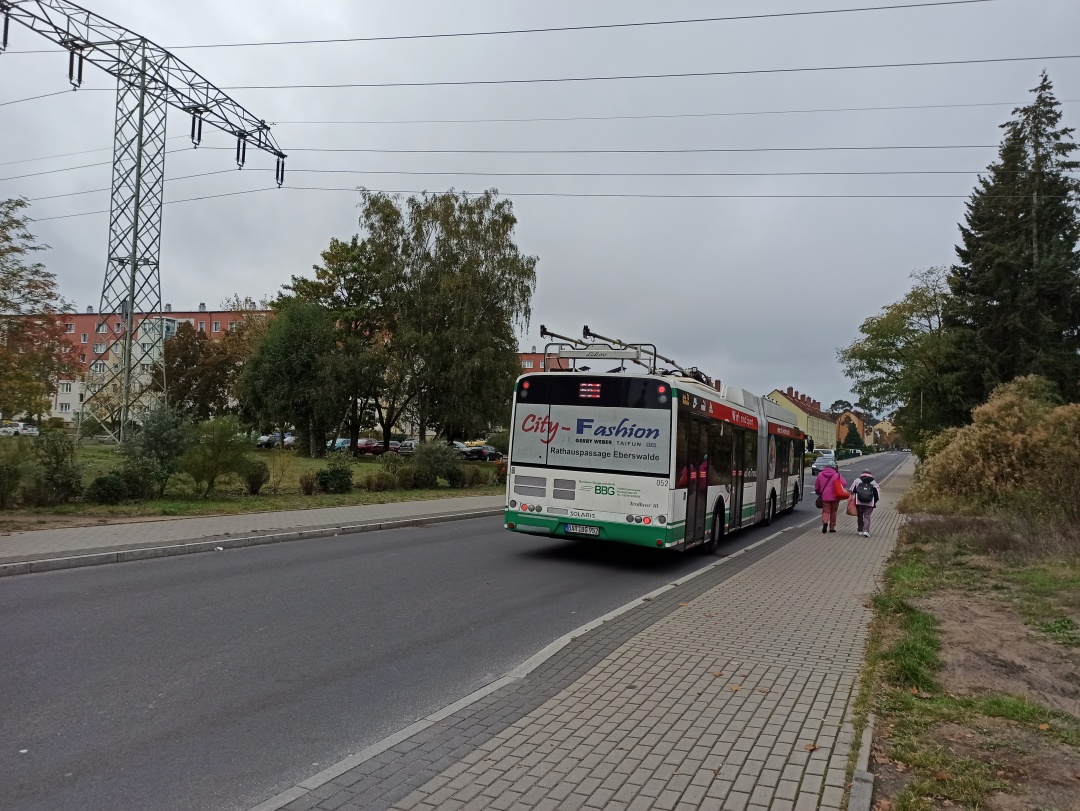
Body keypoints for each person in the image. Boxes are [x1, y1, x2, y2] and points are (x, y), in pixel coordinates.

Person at [814, 465, 850, 533]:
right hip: (835, 496)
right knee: (834, 512)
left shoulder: (820, 474)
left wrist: (818, 492)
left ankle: (825, 523)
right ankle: (832, 528)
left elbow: (817, 486)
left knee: (825, 511)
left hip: (825, 496)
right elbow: (844, 483)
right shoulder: (837, 475)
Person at [852, 469, 881, 537]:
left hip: (859, 502)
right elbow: (877, 493)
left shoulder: (857, 480)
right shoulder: (873, 482)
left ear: (862, 473)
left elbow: (852, 490)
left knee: (859, 516)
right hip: (869, 502)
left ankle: (860, 530)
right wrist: (875, 501)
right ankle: (866, 531)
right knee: (867, 516)